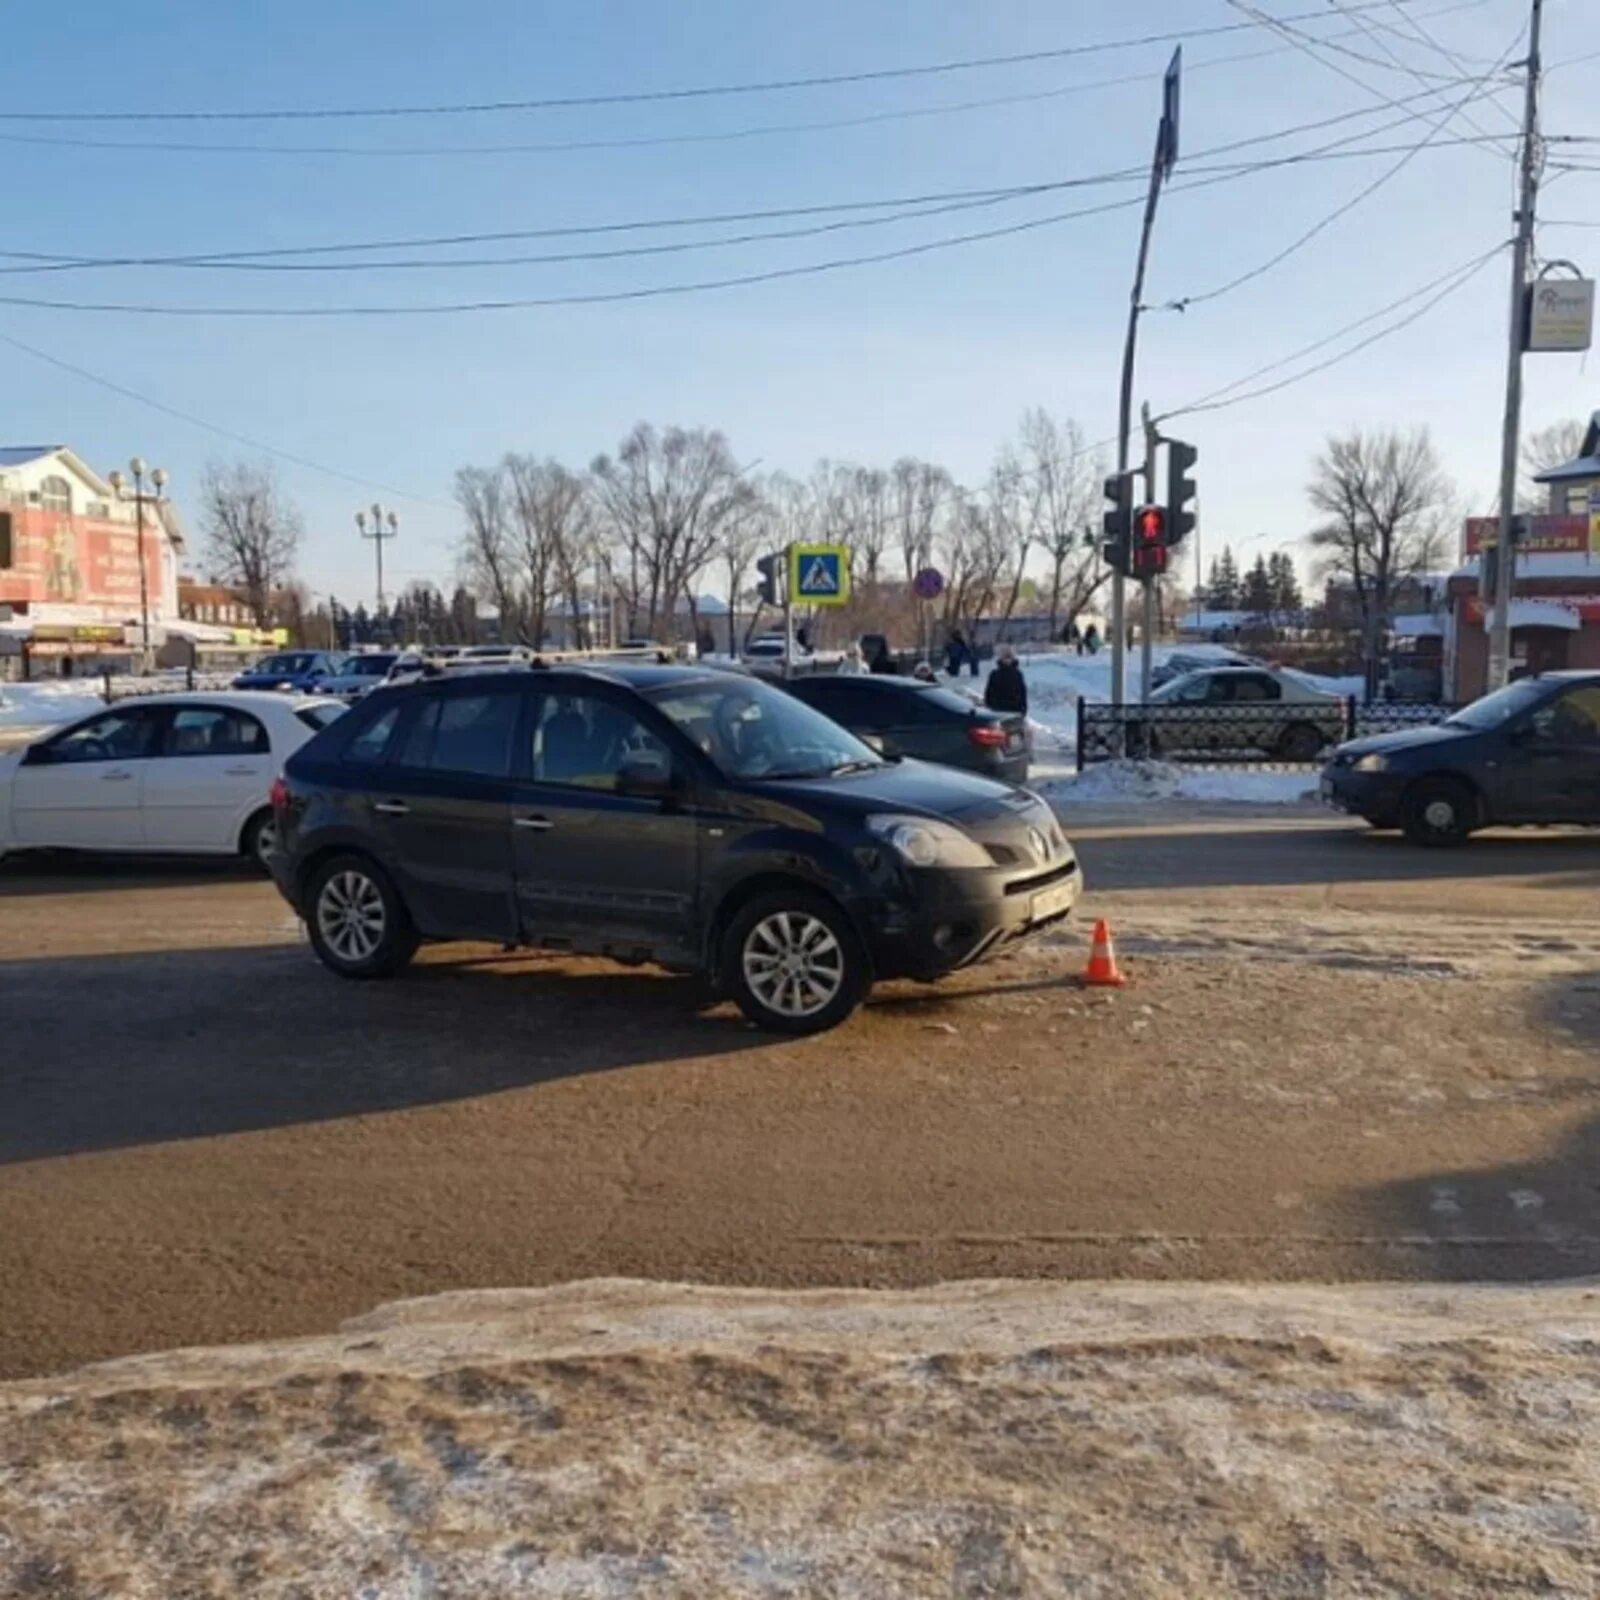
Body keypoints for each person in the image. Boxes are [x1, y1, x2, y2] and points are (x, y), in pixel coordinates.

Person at [984, 645, 1028, 716]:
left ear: (1013, 658)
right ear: (1001, 658)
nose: (1007, 660)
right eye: (1005, 657)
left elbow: (1023, 693)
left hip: (1015, 713)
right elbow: (988, 694)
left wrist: (1023, 710)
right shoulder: (994, 674)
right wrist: (991, 707)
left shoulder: (1018, 674)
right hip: (998, 713)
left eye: (1009, 657)